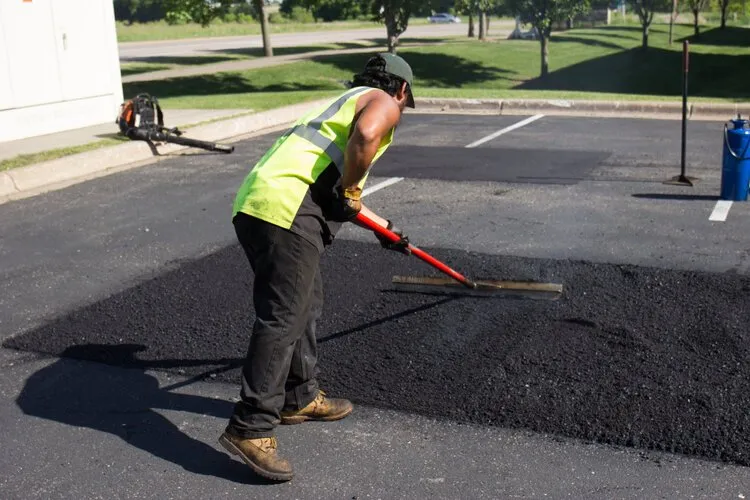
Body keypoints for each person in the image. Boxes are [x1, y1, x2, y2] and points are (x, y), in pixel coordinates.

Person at [218, 53, 416, 482]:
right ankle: (251, 427)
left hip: (259, 204)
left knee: (305, 302)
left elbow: (335, 189)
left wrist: (385, 228)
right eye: (404, 99)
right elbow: (365, 140)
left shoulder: (341, 103)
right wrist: (350, 188)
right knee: (283, 316)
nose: (399, 108)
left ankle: (299, 395)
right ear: (400, 90)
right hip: (286, 211)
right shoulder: (383, 102)